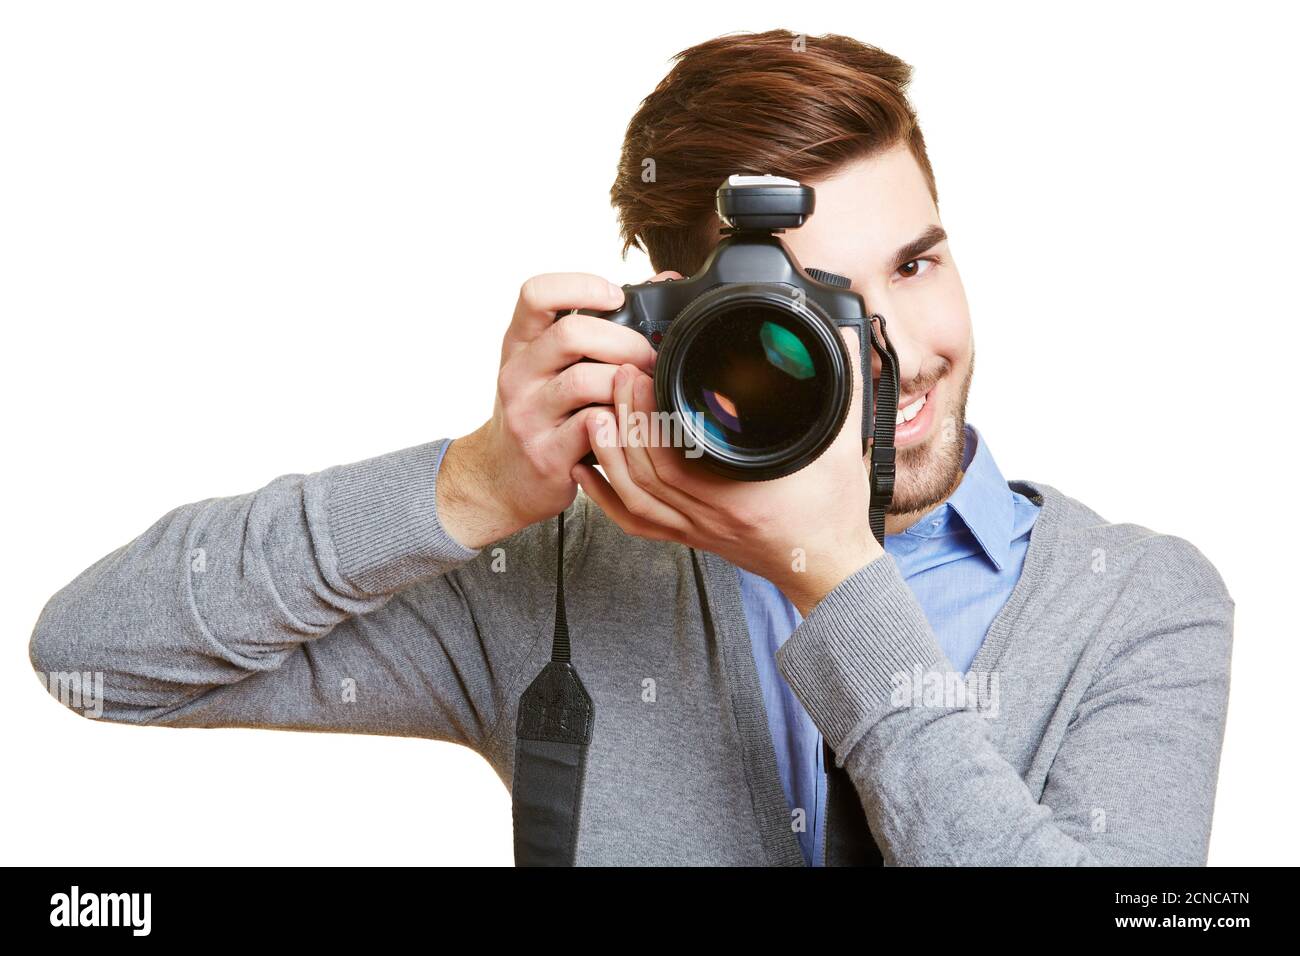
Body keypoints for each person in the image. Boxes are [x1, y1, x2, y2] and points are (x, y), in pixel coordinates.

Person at [28, 29, 1233, 866]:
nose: (895, 353)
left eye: (915, 265)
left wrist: (831, 571)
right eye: (815, 307)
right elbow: (98, 655)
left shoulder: (1135, 599)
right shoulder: (567, 572)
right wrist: (473, 483)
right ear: (677, 321)